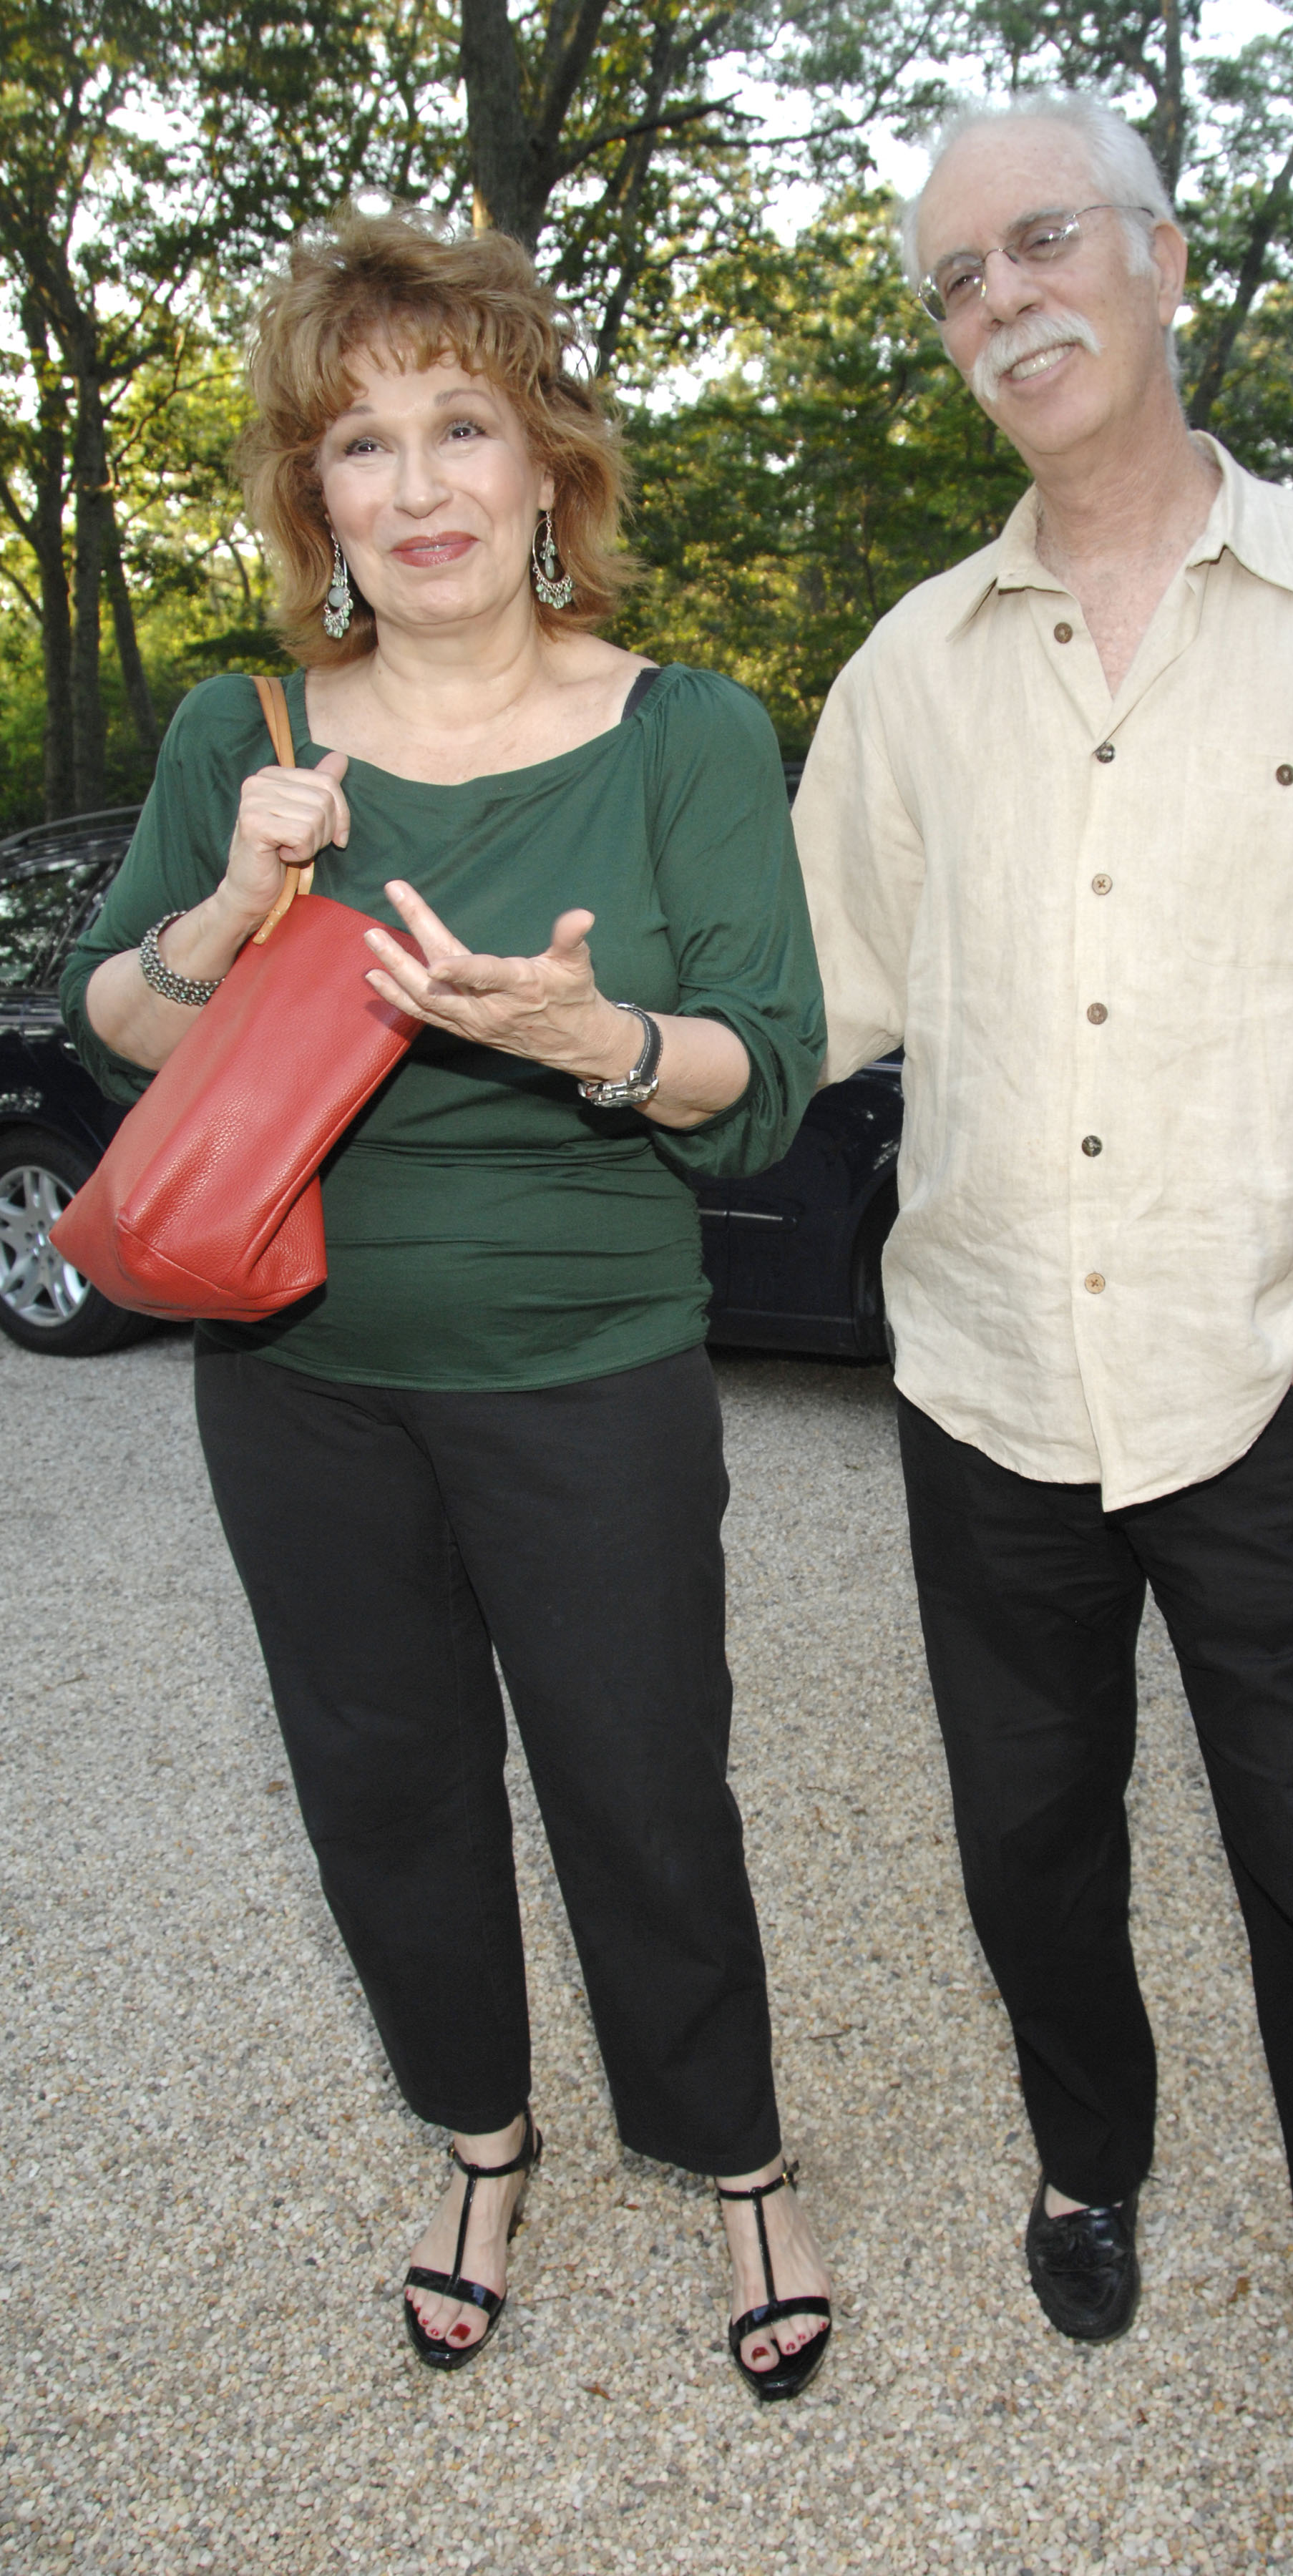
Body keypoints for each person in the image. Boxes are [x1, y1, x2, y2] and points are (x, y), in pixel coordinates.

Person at [791, 93, 1293, 2513]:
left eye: (1042, 241)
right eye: (955, 280)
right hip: (984, 1373)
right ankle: (1090, 2164)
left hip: (1259, 1367)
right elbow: (812, 1009)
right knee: (1031, 1838)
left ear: (1165, 262)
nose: (1003, 297)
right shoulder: (908, 671)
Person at [62, 209, 834, 2401]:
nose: (416, 486)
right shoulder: (249, 728)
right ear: (316, 504)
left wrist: (587, 1037)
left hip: (586, 1372)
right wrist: (229, 897)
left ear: (545, 467)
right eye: (362, 444)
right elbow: (117, 1024)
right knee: (381, 1782)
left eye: (461, 425)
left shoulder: (687, 732)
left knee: (641, 1781)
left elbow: (762, 1074)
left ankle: (734, 2151)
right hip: (298, 1379)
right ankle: (481, 2143)